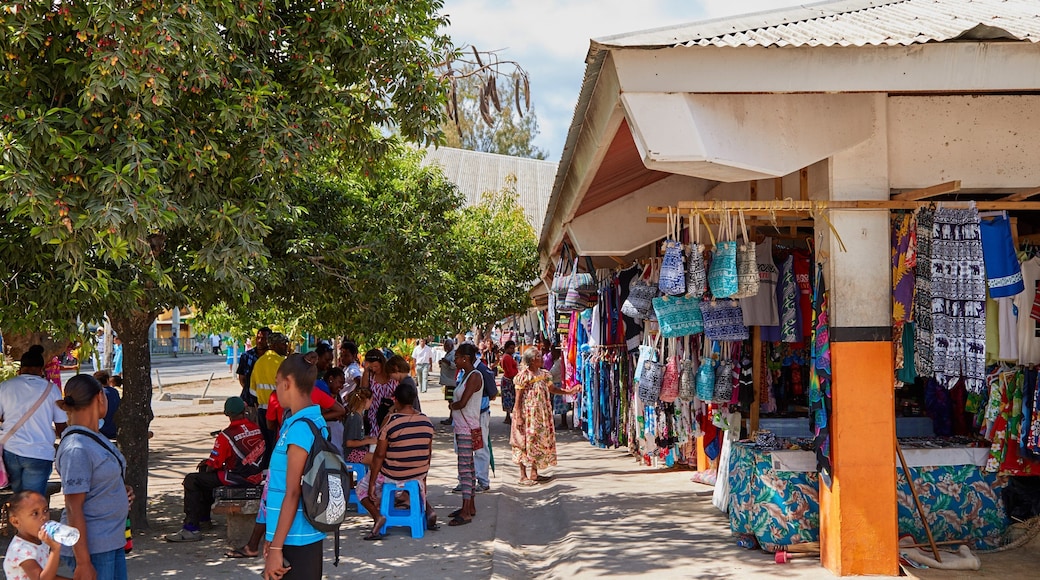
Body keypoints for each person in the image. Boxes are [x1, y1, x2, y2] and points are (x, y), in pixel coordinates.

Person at [55, 374, 132, 580]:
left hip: (111, 540)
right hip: (93, 547)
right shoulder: (76, 448)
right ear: (100, 397)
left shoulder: (95, 438)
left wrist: (117, 490)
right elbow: (73, 506)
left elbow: (97, 481)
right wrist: (83, 562)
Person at [166, 397, 265, 542]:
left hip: (239, 478)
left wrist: (209, 464)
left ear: (227, 414)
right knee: (204, 477)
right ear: (244, 411)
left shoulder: (226, 435)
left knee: (192, 480)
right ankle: (203, 519)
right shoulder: (256, 429)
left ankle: (191, 528)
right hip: (256, 475)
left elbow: (213, 466)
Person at [263, 354, 326, 580]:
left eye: (277, 384)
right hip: (291, 534)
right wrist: (272, 537)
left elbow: (292, 492)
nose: (276, 390)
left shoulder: (300, 429)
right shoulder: (310, 421)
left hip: (296, 538)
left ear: (287, 383)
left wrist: (277, 548)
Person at [358, 382, 435, 540]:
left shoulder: (390, 421)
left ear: (395, 400)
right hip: (418, 473)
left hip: (394, 474)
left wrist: (372, 482)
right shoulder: (426, 421)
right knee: (412, 485)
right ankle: (428, 509)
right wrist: (423, 477)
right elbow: (428, 453)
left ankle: (378, 517)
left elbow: (379, 455)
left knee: (361, 489)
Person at [0, 346, 68, 496]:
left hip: (11, 451)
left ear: (21, 368)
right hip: (39, 452)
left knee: (19, 499)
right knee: (34, 501)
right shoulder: (52, 390)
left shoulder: (4, 387)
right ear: (41, 369)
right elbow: (61, 426)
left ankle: (18, 519)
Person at [511, 347, 574, 485]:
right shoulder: (523, 376)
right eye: (539, 356)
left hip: (540, 415)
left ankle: (534, 473)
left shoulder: (545, 374)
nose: (542, 358)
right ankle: (523, 476)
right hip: (527, 414)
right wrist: (519, 416)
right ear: (532, 360)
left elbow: (553, 389)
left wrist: (569, 391)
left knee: (537, 442)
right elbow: (518, 399)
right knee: (523, 442)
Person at [447, 343, 483, 526]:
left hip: (467, 429)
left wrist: (451, 406)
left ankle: (466, 510)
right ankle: (469, 507)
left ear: (465, 358)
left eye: (458, 356)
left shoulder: (474, 376)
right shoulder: (467, 375)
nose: (455, 360)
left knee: (465, 470)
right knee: (468, 467)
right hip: (464, 427)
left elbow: (462, 402)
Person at [2, 490, 63, 580]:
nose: (43, 517)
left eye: (45, 510)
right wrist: (55, 550)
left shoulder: (41, 540)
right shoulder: (21, 549)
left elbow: (49, 574)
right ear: (16, 521)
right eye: (35, 513)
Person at [251, 332, 289, 468]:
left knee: (266, 445)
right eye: (283, 343)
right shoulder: (282, 363)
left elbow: (252, 390)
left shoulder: (259, 362)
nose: (286, 346)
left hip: (262, 410)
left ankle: (265, 473)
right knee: (277, 445)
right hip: (278, 411)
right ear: (274, 345)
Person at [359, 350, 398, 438]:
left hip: (391, 413)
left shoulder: (392, 375)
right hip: (374, 416)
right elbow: (363, 392)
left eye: (376, 366)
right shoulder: (370, 375)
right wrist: (366, 371)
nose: (374, 369)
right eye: (371, 367)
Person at [236, 327, 272, 407]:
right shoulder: (246, 356)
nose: (259, 341)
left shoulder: (274, 358)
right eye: (258, 338)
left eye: (263, 339)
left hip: (268, 403)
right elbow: (242, 379)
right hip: (249, 401)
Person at [342, 388, 375, 465]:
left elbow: (358, 437)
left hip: (358, 451)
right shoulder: (354, 418)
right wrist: (368, 441)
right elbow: (349, 443)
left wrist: (368, 437)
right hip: (352, 454)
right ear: (366, 401)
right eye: (371, 401)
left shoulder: (358, 416)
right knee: (376, 459)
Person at [438, 339, 456, 426]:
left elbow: (455, 365)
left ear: (451, 346)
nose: (445, 347)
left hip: (452, 382)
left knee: (452, 400)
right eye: (444, 346)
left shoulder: (454, 354)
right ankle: (451, 417)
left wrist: (446, 362)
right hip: (448, 381)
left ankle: (452, 418)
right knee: (450, 400)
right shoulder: (448, 354)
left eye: (447, 346)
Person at [500, 341, 519, 424]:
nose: (513, 350)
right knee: (510, 398)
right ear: (506, 348)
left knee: (509, 399)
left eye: (513, 348)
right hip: (509, 380)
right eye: (511, 348)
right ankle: (509, 417)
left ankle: (508, 416)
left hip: (507, 379)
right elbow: (510, 371)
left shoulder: (507, 357)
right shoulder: (507, 357)